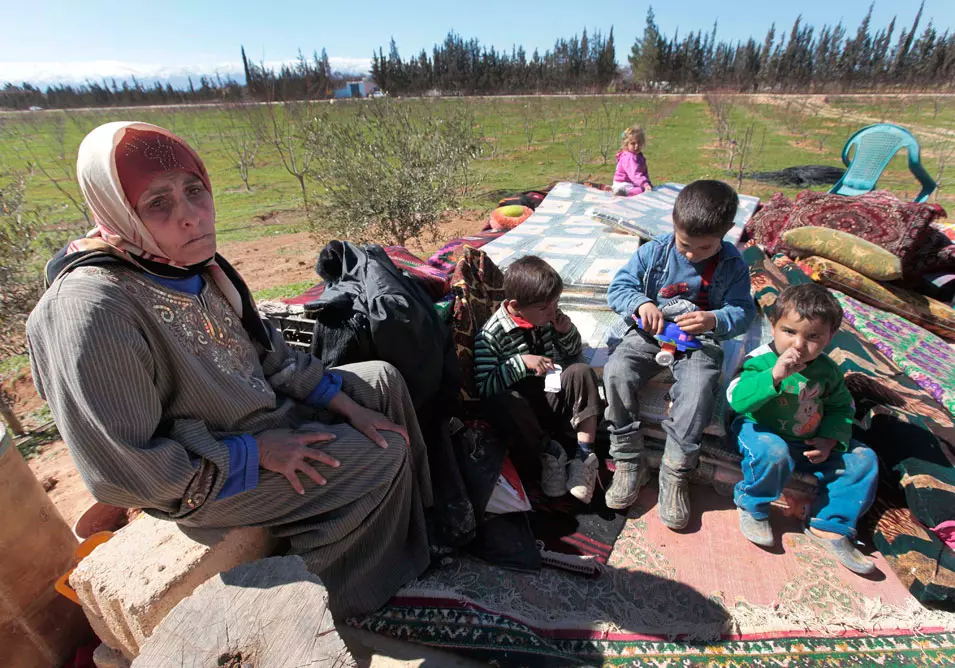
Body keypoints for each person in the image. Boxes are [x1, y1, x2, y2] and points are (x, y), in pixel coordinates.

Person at [25, 122, 433, 617]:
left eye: (194, 191)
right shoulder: (92, 307)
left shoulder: (187, 264)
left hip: (259, 416)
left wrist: (349, 405)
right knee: (382, 454)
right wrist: (255, 451)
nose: (192, 217)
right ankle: (343, 598)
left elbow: (271, 358)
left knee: (381, 382)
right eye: (159, 203)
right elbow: (123, 470)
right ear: (118, 210)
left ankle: (416, 526)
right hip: (204, 474)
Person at [603, 180, 756, 527]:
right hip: (652, 332)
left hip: (699, 341)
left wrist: (714, 319)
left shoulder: (733, 265)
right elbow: (619, 287)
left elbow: (744, 311)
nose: (690, 254)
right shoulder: (654, 251)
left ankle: (675, 470)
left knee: (699, 388)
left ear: (726, 233)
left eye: (703, 248)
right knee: (616, 371)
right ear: (673, 223)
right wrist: (641, 304)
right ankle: (629, 458)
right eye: (685, 245)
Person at [727, 283, 878, 574]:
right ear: (773, 326)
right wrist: (774, 376)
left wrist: (830, 439)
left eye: (812, 337)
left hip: (807, 442)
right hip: (760, 431)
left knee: (864, 459)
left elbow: (840, 407)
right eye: (789, 332)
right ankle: (753, 504)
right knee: (773, 452)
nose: (798, 345)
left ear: (830, 337)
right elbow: (737, 399)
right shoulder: (759, 361)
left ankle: (829, 525)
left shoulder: (828, 371)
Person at [474, 256, 603, 503]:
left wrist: (566, 333)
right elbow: (484, 388)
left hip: (550, 397)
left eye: (556, 303)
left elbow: (572, 352)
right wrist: (521, 363)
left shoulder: (547, 316)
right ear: (515, 305)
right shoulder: (491, 336)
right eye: (545, 308)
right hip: (525, 419)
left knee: (580, 371)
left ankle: (584, 455)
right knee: (505, 400)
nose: (553, 312)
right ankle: (550, 454)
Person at [612, 126, 652, 197]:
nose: (636, 146)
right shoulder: (629, 157)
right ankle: (624, 193)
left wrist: (648, 182)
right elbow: (635, 174)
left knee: (645, 188)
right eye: (633, 143)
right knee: (642, 190)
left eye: (639, 143)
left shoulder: (639, 156)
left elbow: (644, 172)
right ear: (627, 144)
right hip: (623, 184)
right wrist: (645, 184)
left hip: (632, 183)